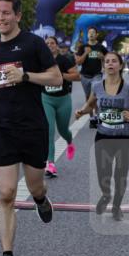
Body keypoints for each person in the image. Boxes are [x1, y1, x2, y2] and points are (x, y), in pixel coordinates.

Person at [0, 0, 62, 256]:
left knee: (36, 188)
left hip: (33, 127)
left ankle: (41, 200)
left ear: (18, 15)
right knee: (6, 192)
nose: (0, 18)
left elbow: (56, 77)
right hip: (2, 128)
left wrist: (25, 77)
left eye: (6, 13)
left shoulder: (34, 43)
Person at [74, 51, 129, 220]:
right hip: (103, 136)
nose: (110, 64)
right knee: (103, 174)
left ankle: (116, 207)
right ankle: (106, 195)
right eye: (107, 62)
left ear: (120, 65)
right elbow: (91, 103)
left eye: (114, 61)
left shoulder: (128, 87)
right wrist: (82, 111)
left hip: (125, 138)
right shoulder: (97, 86)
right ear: (103, 66)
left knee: (121, 175)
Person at [41, 35, 80, 178]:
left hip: (63, 99)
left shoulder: (64, 59)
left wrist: (59, 76)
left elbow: (77, 76)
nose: (50, 45)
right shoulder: (40, 60)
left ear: (57, 46)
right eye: (47, 43)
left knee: (63, 130)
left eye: (52, 43)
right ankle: (50, 163)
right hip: (46, 99)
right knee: (49, 130)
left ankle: (69, 142)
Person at [75, 27, 106, 128]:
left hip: (97, 75)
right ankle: (92, 118)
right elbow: (78, 62)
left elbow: (109, 59)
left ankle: (97, 117)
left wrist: (103, 58)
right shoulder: (83, 47)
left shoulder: (100, 47)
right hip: (85, 76)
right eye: (89, 33)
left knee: (95, 97)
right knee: (88, 98)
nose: (91, 34)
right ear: (87, 35)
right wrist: (85, 53)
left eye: (93, 32)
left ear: (97, 35)